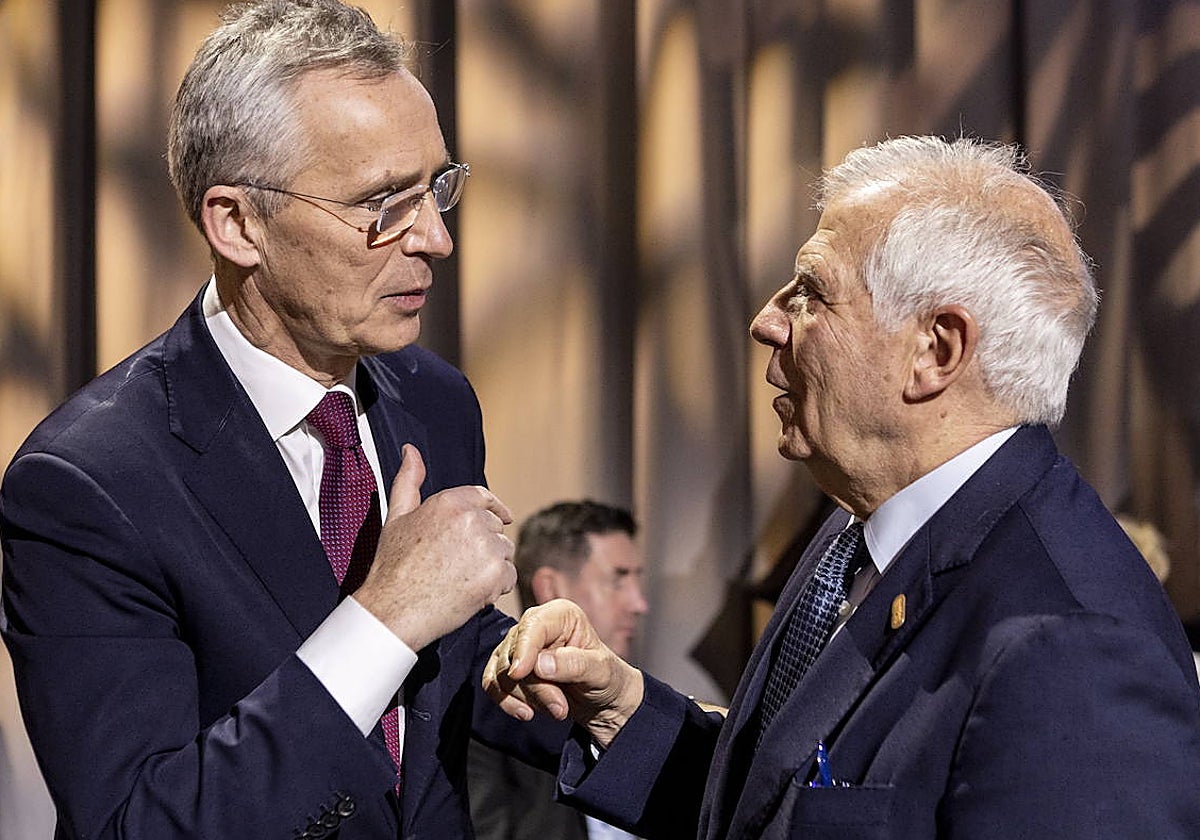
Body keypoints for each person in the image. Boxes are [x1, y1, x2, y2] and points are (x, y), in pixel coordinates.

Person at [484, 135, 1200, 838]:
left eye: (811, 293)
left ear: (936, 351)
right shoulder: (858, 529)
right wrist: (619, 707)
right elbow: (769, 805)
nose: (767, 321)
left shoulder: (1072, 652)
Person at [0, 2, 567, 838]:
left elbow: (431, 669)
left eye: (437, 189)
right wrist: (385, 618)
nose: (437, 240)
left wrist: (541, 671)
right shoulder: (85, 483)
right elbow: (138, 824)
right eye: (383, 203)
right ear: (237, 224)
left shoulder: (435, 398)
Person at [469, 501, 647, 840]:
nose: (640, 603)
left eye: (638, 580)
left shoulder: (645, 705)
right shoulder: (491, 710)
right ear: (551, 589)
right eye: (619, 579)